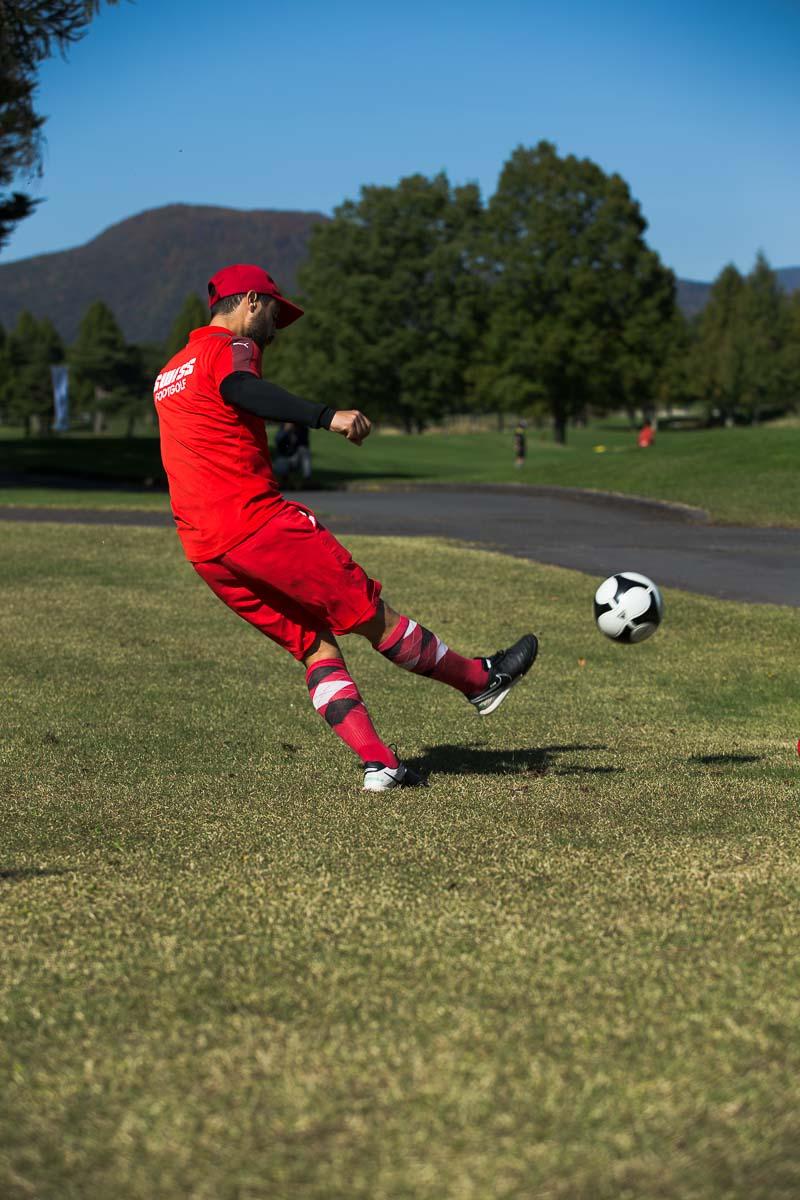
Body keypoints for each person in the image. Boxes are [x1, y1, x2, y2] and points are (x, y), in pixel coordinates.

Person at [153, 263, 538, 791]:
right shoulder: (231, 350)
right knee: (371, 615)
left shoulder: (170, 371)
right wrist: (323, 415)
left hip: (205, 549)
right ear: (249, 302)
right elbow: (242, 390)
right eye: (273, 313)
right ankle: (480, 680)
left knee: (314, 644)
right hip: (256, 525)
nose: (275, 329)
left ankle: (380, 764)